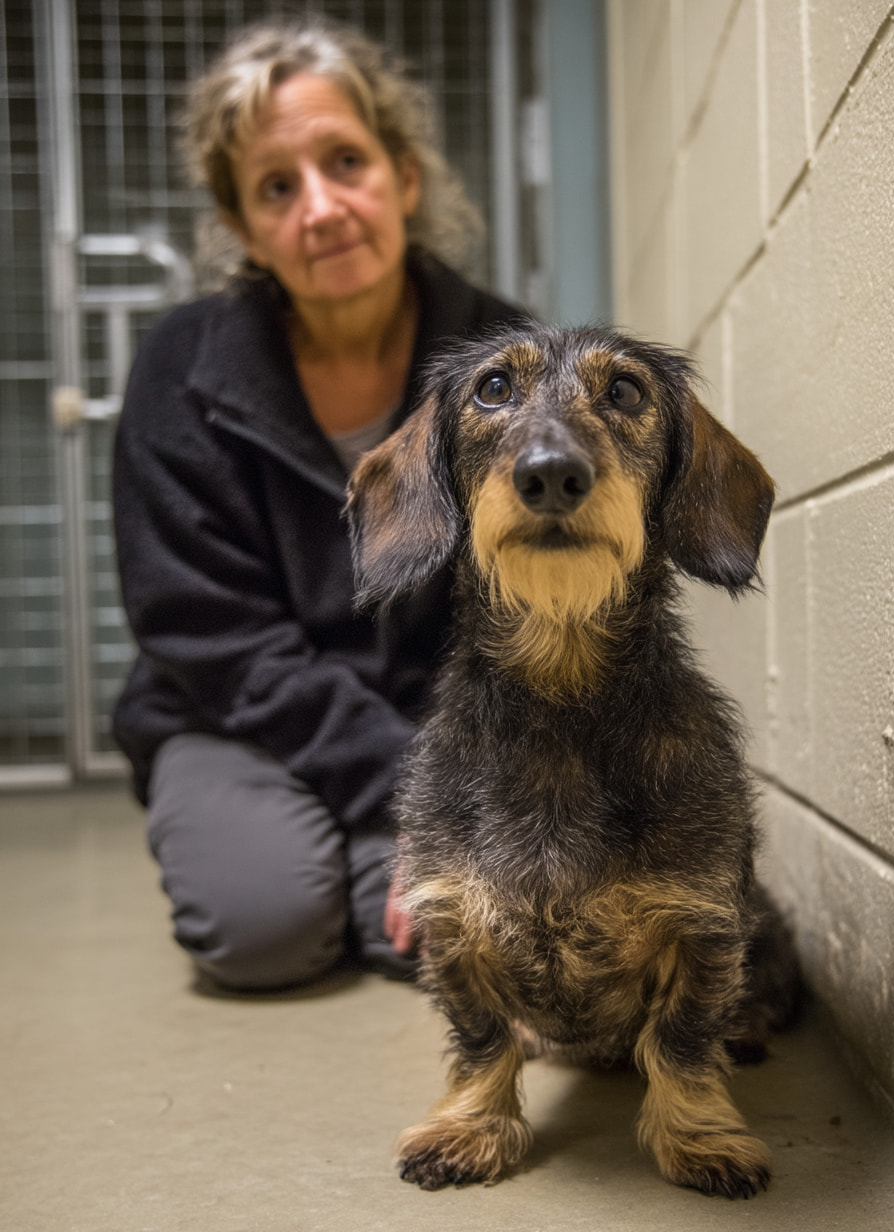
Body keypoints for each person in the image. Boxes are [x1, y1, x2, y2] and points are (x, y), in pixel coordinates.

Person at [112, 18, 525, 992]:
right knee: (262, 928)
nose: (322, 207)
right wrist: (409, 796)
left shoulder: (505, 357)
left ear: (403, 176)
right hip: (236, 718)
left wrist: (458, 781)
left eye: (346, 161)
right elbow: (209, 635)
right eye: (276, 187)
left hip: (441, 722)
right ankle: (329, 850)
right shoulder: (179, 367)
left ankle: (359, 858)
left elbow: (523, 611)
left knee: (490, 935)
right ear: (242, 227)